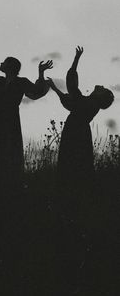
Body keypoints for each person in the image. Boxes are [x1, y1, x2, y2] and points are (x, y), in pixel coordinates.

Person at [0, 41, 53, 187]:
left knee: (9, 150)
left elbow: (37, 91)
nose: (1, 63)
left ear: (9, 67)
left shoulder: (21, 82)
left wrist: (41, 73)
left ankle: (8, 183)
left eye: (4, 62)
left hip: (9, 120)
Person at [48, 46, 114, 219]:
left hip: (74, 134)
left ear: (100, 97)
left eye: (102, 89)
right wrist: (55, 88)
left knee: (72, 167)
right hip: (78, 133)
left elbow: (71, 88)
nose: (100, 86)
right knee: (77, 167)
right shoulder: (89, 103)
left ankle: (72, 205)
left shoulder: (89, 103)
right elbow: (70, 100)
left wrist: (76, 59)